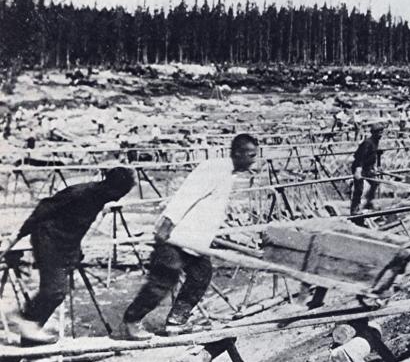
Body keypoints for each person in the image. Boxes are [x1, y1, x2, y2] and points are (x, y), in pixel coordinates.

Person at [121, 133, 259, 339]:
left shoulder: (229, 173)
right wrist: (167, 223)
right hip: (175, 238)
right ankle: (132, 321)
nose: (253, 160)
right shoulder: (214, 169)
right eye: (251, 155)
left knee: (201, 275)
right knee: (163, 282)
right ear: (238, 153)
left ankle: (176, 322)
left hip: (193, 241)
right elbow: (186, 195)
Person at [10, 167, 135, 344]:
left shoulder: (100, 197)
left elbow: (75, 224)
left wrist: (75, 250)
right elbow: (44, 207)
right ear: (112, 187)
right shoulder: (81, 192)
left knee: (56, 292)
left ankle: (29, 334)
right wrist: (20, 234)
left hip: (66, 243)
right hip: (48, 239)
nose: (119, 197)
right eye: (121, 192)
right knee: (56, 291)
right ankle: (26, 321)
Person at [350, 121, 385, 216]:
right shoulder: (367, 143)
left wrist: (375, 167)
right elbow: (359, 157)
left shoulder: (375, 142)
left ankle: (369, 202)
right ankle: (354, 209)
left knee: (374, 183)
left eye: (382, 132)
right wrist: (358, 170)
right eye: (379, 132)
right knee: (359, 189)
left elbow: (372, 156)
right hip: (359, 167)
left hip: (367, 167)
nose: (381, 134)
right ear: (374, 133)